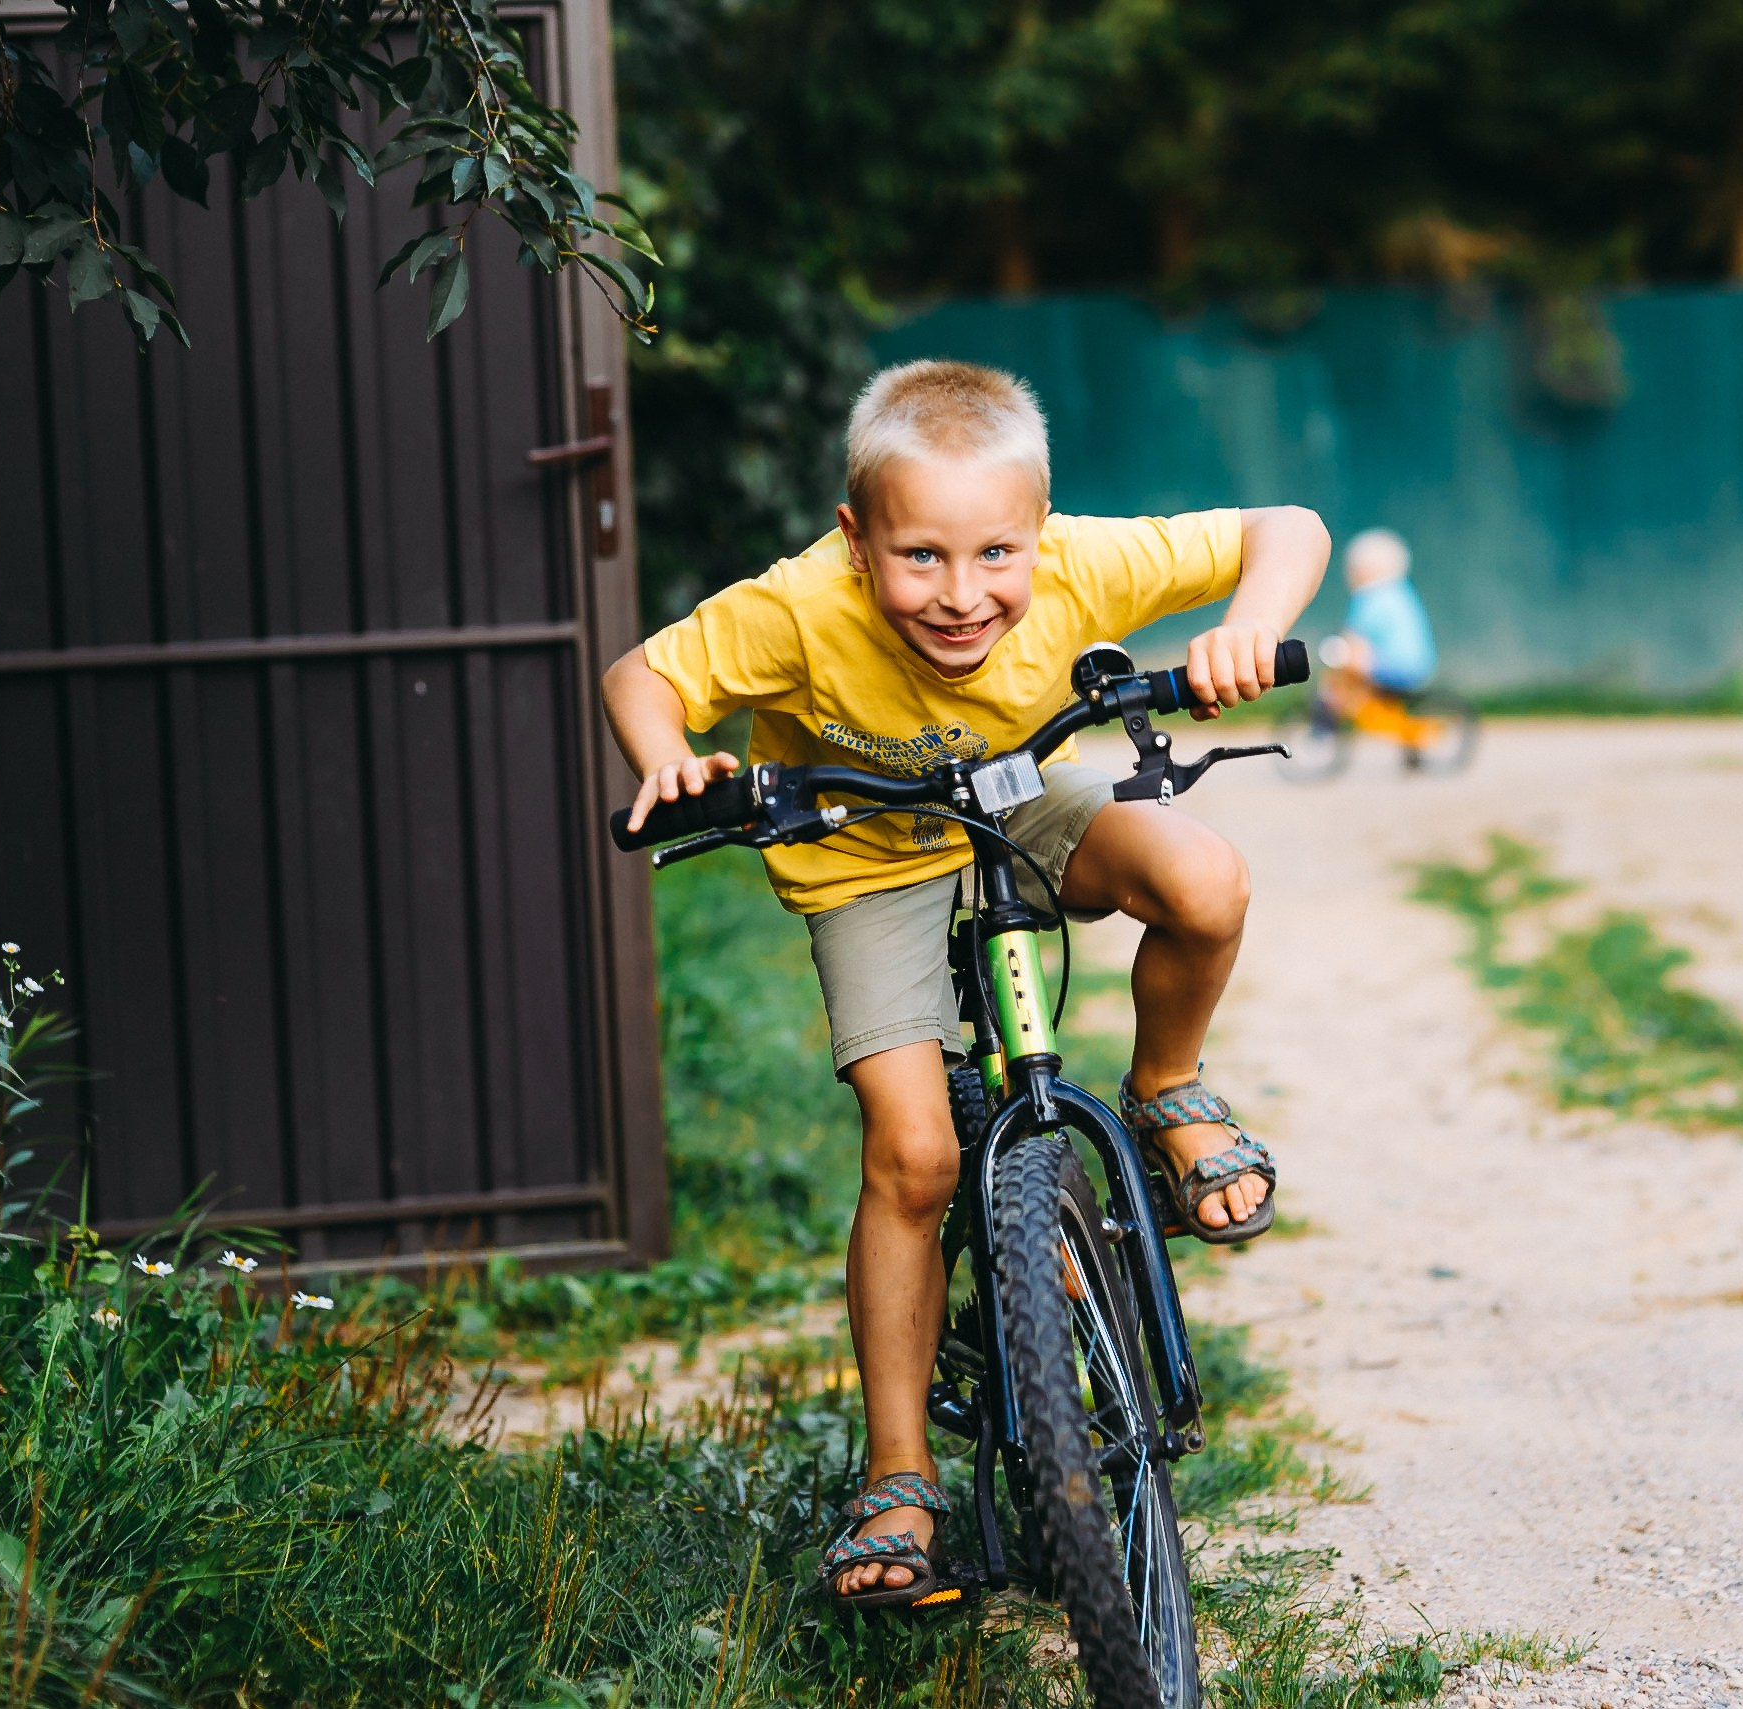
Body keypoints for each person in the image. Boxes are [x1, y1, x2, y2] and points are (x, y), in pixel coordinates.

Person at [602, 359, 1328, 1610]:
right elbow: (642, 675)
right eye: (919, 557)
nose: (961, 593)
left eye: (996, 554)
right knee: (914, 1155)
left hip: (1018, 801)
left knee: (1205, 881)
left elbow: (1289, 529)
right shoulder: (797, 607)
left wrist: (1246, 620)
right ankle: (897, 1472)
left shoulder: (1083, 562)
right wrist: (672, 759)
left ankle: (1165, 1089)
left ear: (1038, 532)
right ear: (855, 537)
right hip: (861, 854)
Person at [1320, 527, 1435, 716]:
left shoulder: (1371, 596)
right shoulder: (1401, 591)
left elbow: (1355, 634)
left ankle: (1338, 706)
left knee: (1343, 658)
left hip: (1393, 668)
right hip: (1420, 666)